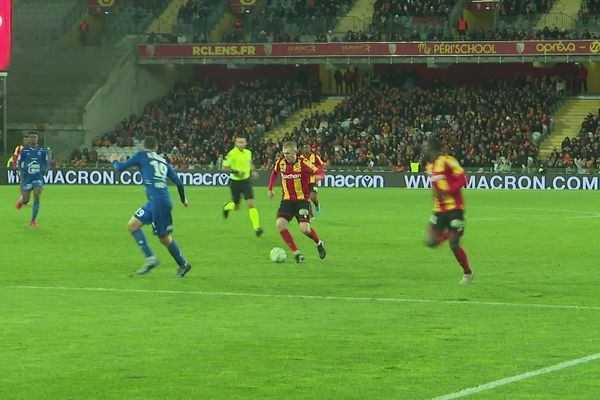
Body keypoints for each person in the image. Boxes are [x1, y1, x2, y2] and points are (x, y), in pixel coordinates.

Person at [110, 136, 192, 277]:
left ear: (143, 146)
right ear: (156, 148)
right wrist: (183, 199)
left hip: (159, 204)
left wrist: (114, 161)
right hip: (158, 202)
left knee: (164, 238)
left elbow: (119, 168)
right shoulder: (162, 160)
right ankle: (150, 258)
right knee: (132, 225)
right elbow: (178, 182)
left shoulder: (141, 155)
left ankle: (183, 264)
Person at [423, 137, 473, 285]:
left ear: (434, 150)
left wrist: (449, 191)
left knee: (454, 244)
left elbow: (464, 178)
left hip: (455, 208)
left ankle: (467, 273)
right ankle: (451, 233)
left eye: (426, 148)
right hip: (439, 210)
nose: (424, 150)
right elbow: (436, 188)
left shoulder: (448, 160)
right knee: (430, 242)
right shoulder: (429, 166)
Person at [268, 141, 326, 263]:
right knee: (280, 224)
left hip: (302, 201)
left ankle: (319, 242)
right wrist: (270, 189)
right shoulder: (281, 162)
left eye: (288, 153)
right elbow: (274, 172)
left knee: (305, 229)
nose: (285, 156)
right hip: (287, 201)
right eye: (284, 153)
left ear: (295, 152)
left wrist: (320, 176)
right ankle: (297, 253)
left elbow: (317, 171)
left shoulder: (303, 163)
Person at [222, 135, 263, 236]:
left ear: (245, 143)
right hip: (235, 182)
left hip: (246, 181)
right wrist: (236, 171)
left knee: (251, 204)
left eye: (242, 142)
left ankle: (257, 228)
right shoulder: (231, 154)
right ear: (235, 143)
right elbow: (224, 167)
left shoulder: (248, 153)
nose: (240, 144)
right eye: (238, 142)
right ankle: (226, 207)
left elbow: (250, 163)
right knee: (237, 207)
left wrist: (253, 171)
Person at [16, 133, 49, 227]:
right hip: (27, 178)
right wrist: (22, 171)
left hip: (38, 177)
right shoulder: (24, 150)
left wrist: (45, 170)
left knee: (37, 196)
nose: (33, 139)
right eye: (31, 137)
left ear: (37, 138)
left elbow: (47, 163)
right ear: (29, 139)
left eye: (35, 137)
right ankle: (21, 201)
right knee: (26, 199)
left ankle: (33, 220)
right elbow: (19, 162)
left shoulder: (42, 150)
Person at [302, 144, 324, 219]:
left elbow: (321, 165)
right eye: (305, 147)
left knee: (313, 197)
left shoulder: (315, 157)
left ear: (310, 148)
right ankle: (311, 215)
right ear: (303, 149)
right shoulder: (300, 158)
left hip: (313, 180)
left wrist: (318, 173)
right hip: (303, 181)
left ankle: (317, 205)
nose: (306, 149)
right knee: (306, 199)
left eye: (307, 147)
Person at [13, 132, 30, 206]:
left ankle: (25, 198)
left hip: (29, 168)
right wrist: (14, 167)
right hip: (21, 168)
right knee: (23, 182)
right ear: (23, 140)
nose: (26, 141)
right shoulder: (19, 148)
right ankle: (23, 197)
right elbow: (15, 158)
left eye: (27, 139)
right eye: (24, 139)